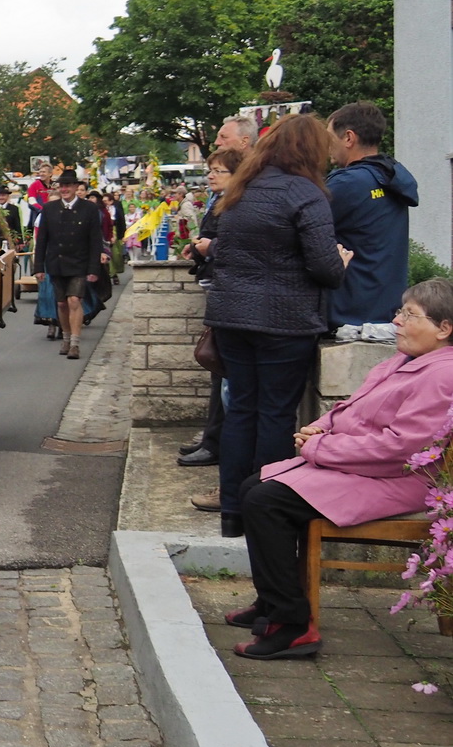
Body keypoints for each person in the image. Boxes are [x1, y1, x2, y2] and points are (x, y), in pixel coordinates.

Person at [224, 279, 453, 659]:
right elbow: (351, 407)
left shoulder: (442, 375)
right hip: (363, 467)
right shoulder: (403, 360)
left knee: (267, 502)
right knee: (253, 487)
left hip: (398, 480)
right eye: (400, 311)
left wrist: (322, 448)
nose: (396, 321)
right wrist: (323, 426)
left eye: (409, 315)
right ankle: (271, 602)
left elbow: (400, 449)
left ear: (444, 329)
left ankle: (293, 625)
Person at [203, 114, 351, 538]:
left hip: (232, 318)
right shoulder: (306, 193)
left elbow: (221, 254)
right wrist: (340, 264)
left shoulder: (240, 190)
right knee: (275, 416)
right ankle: (262, 511)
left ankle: (232, 510)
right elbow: (324, 266)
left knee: (240, 412)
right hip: (284, 322)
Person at [181, 149, 244, 481]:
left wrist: (211, 248)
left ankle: (218, 445)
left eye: (219, 170)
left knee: (225, 374)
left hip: (232, 295)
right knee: (219, 372)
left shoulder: (238, 204)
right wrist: (198, 247)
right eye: (211, 170)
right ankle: (213, 438)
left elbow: (234, 245)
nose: (211, 175)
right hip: (218, 287)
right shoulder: (219, 202)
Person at [325, 101, 417, 329]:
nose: (325, 147)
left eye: (329, 139)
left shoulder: (347, 183)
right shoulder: (392, 177)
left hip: (348, 316)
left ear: (348, 138)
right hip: (386, 314)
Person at [32, 168, 107, 360]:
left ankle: (74, 342)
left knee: (75, 300)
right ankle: (65, 337)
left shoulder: (89, 209)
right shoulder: (49, 209)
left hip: (80, 262)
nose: (65, 189)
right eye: (62, 186)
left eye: (68, 185)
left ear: (76, 187)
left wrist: (94, 268)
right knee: (61, 303)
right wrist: (38, 267)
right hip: (56, 262)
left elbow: (95, 240)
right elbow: (42, 241)